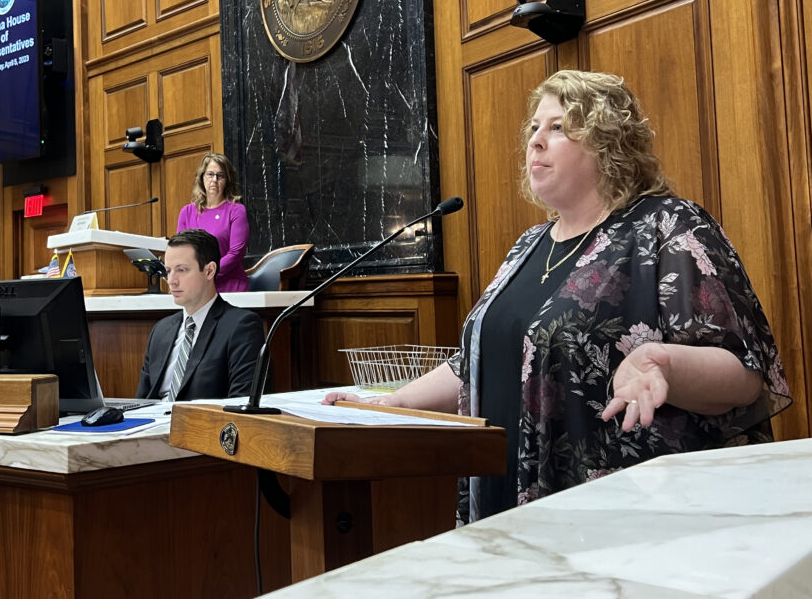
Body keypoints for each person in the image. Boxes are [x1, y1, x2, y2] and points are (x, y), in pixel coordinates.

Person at [325, 69, 792, 521]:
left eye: (559, 127)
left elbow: (745, 375)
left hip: (621, 513)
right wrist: (396, 403)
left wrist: (663, 361)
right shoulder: (529, 246)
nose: (535, 140)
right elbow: (479, 362)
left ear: (607, 143)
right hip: (502, 500)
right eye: (533, 127)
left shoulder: (666, 228)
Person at [136, 229, 263, 400]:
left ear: (209, 271)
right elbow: (140, 403)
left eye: (181, 270)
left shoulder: (241, 326)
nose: (171, 280)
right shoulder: (160, 330)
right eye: (168, 270)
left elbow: (241, 405)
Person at [176, 152, 251, 293]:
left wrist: (205, 275)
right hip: (195, 288)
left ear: (227, 180)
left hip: (229, 287)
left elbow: (235, 253)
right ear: (202, 178)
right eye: (210, 174)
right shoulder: (187, 212)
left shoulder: (236, 210)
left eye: (220, 175)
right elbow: (180, 251)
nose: (214, 180)